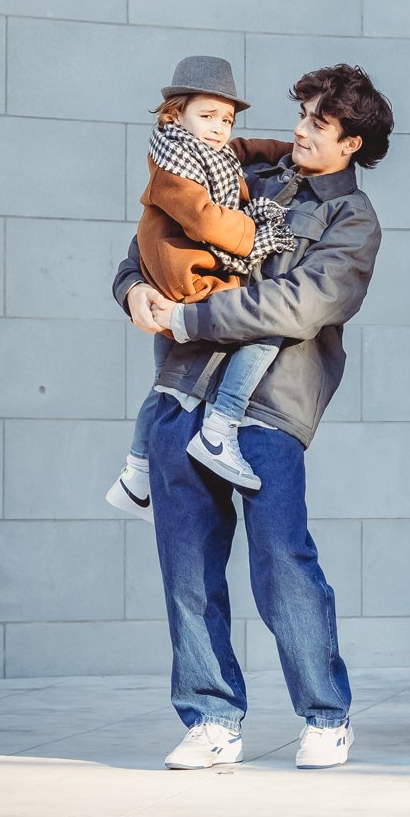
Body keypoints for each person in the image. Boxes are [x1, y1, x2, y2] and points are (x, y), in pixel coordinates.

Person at [113, 62, 394, 771]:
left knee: (282, 561)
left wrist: (189, 316)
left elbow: (298, 305)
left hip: (270, 409)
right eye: (300, 115)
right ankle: (211, 718)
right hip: (185, 391)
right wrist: (131, 295)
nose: (299, 130)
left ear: (351, 142)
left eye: (317, 123)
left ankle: (326, 714)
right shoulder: (250, 181)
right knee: (186, 563)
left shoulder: (353, 221)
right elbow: (151, 240)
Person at [105, 56, 293, 518]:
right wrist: (255, 235)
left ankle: (135, 473)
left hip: (178, 274)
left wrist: (287, 151)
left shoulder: (212, 153)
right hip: (185, 278)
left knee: (164, 386)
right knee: (264, 328)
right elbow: (204, 219)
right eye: (207, 116)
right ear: (175, 114)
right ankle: (219, 428)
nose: (218, 129)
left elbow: (244, 148)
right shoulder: (173, 166)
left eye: (225, 119)